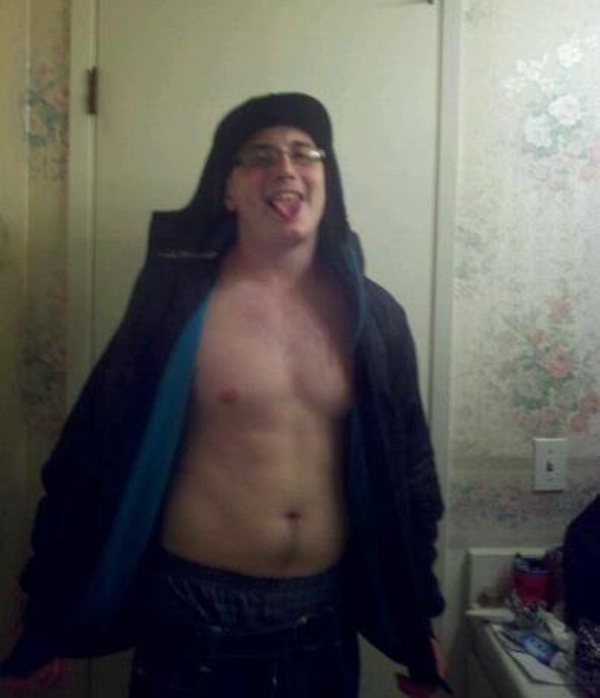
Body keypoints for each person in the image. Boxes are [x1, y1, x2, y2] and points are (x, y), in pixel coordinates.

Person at [1, 93, 449, 697]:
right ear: (229, 190)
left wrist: (417, 623)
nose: (286, 168)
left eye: (304, 153)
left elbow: (410, 476)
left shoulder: (374, 318)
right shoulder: (175, 310)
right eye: (260, 156)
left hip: (323, 619)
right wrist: (45, 614)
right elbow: (91, 457)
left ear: (327, 180)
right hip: (193, 617)